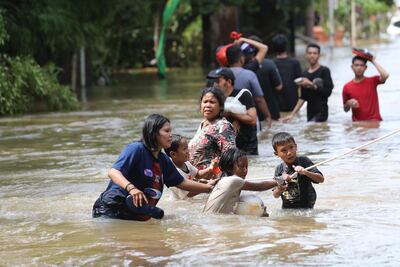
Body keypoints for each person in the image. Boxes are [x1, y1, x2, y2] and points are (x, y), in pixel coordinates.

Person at [92, 114, 215, 221]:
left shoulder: (163, 160)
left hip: (136, 213)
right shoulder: (136, 149)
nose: (171, 135)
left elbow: (181, 182)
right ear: (154, 133)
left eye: (170, 131)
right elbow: (113, 172)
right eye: (167, 131)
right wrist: (132, 189)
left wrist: (211, 188)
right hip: (110, 210)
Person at [203, 148, 277, 214]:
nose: (245, 170)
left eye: (246, 167)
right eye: (241, 167)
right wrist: (280, 180)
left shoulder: (224, 180)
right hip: (215, 222)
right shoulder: (234, 180)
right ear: (229, 168)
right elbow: (260, 187)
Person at [207, 67, 259, 155]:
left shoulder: (243, 94)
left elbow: (253, 119)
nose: (215, 84)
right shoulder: (215, 99)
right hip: (227, 147)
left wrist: (231, 114)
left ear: (229, 82)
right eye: (214, 81)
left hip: (247, 147)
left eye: (218, 81)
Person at [188, 87, 236, 173]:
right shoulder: (203, 123)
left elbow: (230, 157)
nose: (207, 105)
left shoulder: (223, 126)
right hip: (196, 179)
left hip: (211, 180)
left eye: (212, 102)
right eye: (205, 102)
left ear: (220, 106)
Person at [282, 44, 334, 122]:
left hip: (321, 113)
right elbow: (303, 97)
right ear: (306, 55)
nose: (312, 55)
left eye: (314, 53)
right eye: (309, 53)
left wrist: (311, 85)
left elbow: (328, 92)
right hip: (309, 113)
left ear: (319, 55)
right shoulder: (304, 74)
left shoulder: (324, 71)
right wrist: (292, 114)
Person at [271, 132, 324, 209]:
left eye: (291, 147)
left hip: (307, 206)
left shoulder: (304, 161)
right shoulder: (279, 169)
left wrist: (306, 172)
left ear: (296, 147)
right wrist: (280, 187)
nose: (289, 153)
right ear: (277, 154)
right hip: (287, 208)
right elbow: (275, 195)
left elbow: (321, 179)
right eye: (284, 150)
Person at [226, 44, 273, 128]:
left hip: (225, 119)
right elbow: (259, 99)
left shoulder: (220, 76)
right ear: (241, 58)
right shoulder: (249, 75)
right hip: (247, 118)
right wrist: (267, 116)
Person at [165, 134, 219, 200]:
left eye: (187, 148)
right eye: (184, 149)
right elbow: (189, 194)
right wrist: (207, 185)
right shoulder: (175, 172)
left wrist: (210, 168)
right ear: (173, 154)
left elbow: (198, 174)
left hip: (187, 200)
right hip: (178, 203)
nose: (188, 151)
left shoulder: (186, 163)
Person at [342, 55, 389, 121]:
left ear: (365, 68)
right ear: (352, 67)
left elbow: (385, 75)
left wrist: (372, 60)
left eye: (362, 65)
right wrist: (348, 103)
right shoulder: (346, 87)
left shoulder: (373, 81)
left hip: (375, 122)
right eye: (356, 65)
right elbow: (345, 109)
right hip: (358, 126)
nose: (359, 68)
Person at [247, 35, 283, 121]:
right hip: (271, 110)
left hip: (251, 113)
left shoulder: (243, 67)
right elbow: (279, 86)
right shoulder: (269, 64)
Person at [271, 34, 302, 112]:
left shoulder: (270, 64)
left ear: (274, 47)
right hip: (293, 104)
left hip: (276, 105)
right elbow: (300, 82)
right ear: (286, 46)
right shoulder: (295, 62)